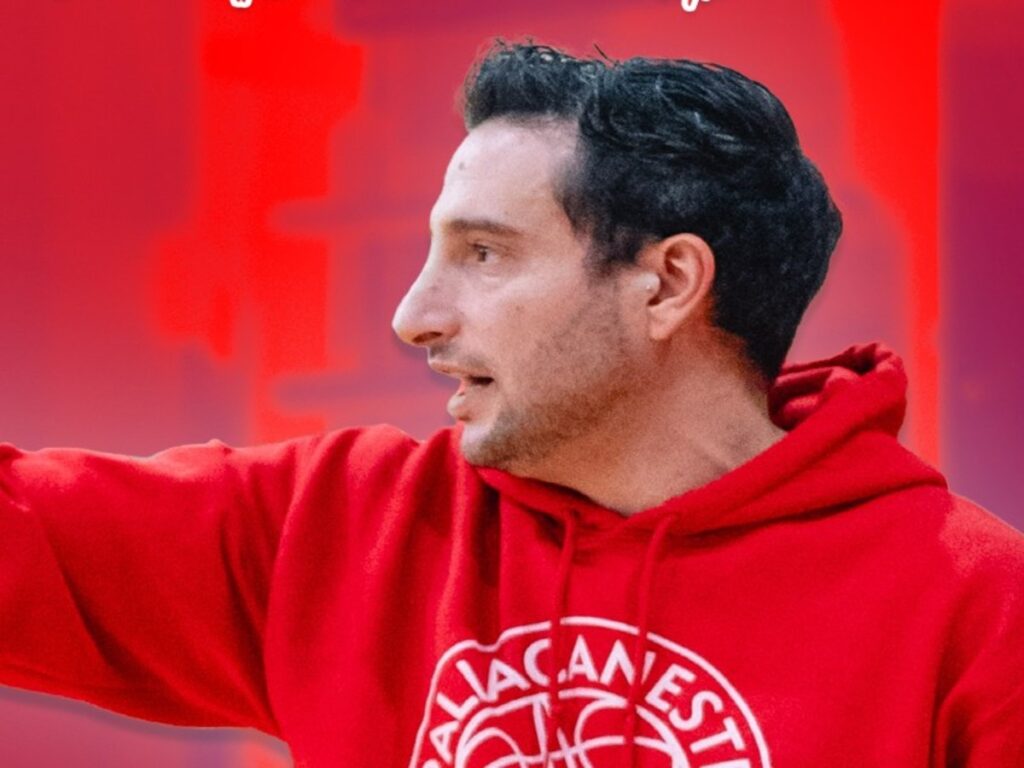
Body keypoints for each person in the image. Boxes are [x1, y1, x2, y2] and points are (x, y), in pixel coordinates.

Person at [1, 40, 1022, 768]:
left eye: (484, 254)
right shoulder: (338, 528)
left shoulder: (975, 611)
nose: (413, 316)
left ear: (667, 284)